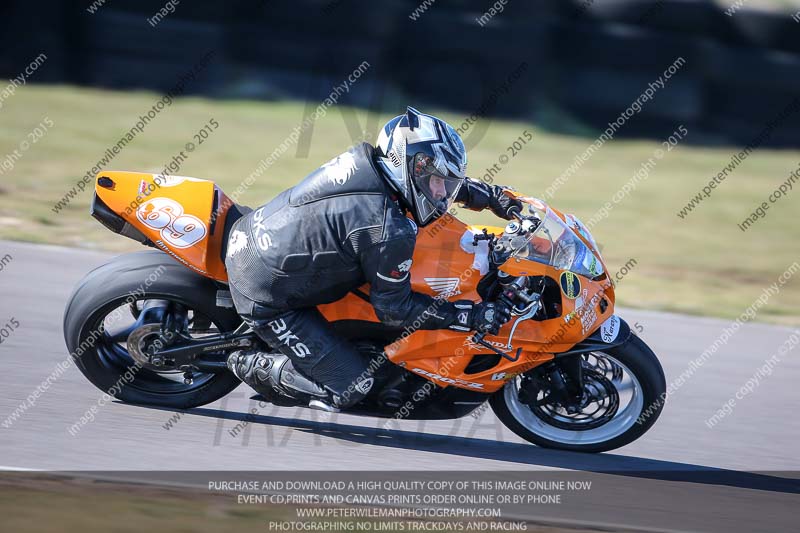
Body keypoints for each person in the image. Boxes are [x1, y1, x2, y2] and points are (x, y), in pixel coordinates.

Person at [225, 106, 523, 411]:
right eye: (438, 181)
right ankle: (249, 364)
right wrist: (468, 316)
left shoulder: (368, 162)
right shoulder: (388, 229)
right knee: (351, 387)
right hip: (265, 293)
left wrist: (488, 195)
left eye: (447, 183)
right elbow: (394, 310)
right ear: (409, 166)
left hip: (256, 235)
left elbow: (422, 184)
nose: (441, 193)